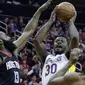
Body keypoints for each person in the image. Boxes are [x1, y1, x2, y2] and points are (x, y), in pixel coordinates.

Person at [0, 0, 53, 85]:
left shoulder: (13, 50)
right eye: (4, 35)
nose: (7, 35)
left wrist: (39, 11)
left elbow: (28, 31)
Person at [34, 5, 81, 85]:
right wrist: (50, 21)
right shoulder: (46, 57)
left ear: (67, 47)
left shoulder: (69, 56)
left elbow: (75, 38)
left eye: (62, 41)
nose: (59, 42)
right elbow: (36, 40)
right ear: (53, 46)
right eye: (57, 41)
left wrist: (71, 23)